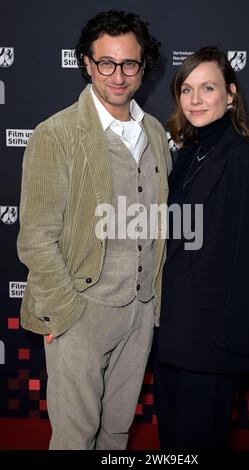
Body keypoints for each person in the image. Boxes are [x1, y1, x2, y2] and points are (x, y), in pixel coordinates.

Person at [17, 10, 171, 450]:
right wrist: (65, 313)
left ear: (144, 67)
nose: (117, 75)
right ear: (86, 63)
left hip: (140, 313)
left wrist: (152, 304)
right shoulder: (56, 134)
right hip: (81, 311)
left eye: (129, 64)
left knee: (117, 432)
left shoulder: (155, 133)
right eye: (106, 62)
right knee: (74, 437)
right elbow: (36, 237)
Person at [154, 46, 249, 449]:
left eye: (207, 88)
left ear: (229, 95)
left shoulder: (248, 161)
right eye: (186, 89)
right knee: (172, 445)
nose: (195, 100)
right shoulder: (184, 158)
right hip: (170, 335)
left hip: (212, 343)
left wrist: (233, 340)